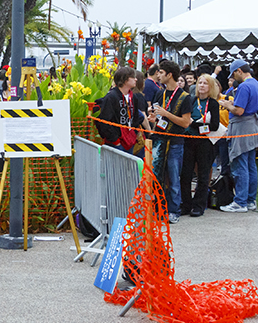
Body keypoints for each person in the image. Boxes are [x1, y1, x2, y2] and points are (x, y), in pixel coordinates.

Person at [146, 60, 192, 223]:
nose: (158, 75)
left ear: (169, 74)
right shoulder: (160, 93)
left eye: (161, 72)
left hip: (175, 141)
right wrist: (154, 118)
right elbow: (158, 116)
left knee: (173, 178)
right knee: (157, 176)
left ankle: (174, 210)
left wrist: (166, 114)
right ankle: (159, 208)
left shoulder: (185, 97)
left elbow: (186, 123)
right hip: (159, 138)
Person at [218, 59, 258, 213]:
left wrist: (226, 105)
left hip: (242, 126)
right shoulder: (257, 84)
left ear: (238, 71)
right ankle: (250, 200)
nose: (233, 78)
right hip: (253, 126)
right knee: (250, 165)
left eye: (233, 74)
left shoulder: (244, 86)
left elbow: (239, 110)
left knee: (240, 164)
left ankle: (240, 202)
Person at [180, 74, 221, 217]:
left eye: (205, 83)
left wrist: (195, 124)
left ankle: (199, 205)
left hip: (205, 142)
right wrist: (197, 124)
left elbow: (214, 125)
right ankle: (186, 204)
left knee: (203, 175)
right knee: (185, 174)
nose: (202, 85)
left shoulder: (213, 103)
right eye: (200, 83)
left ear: (210, 87)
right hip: (189, 140)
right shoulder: (191, 100)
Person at [95, 66, 143, 153]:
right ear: (125, 80)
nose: (136, 79)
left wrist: (134, 134)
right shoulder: (111, 97)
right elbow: (104, 120)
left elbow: (135, 117)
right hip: (116, 142)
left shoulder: (134, 97)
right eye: (133, 77)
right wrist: (115, 140)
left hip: (130, 141)